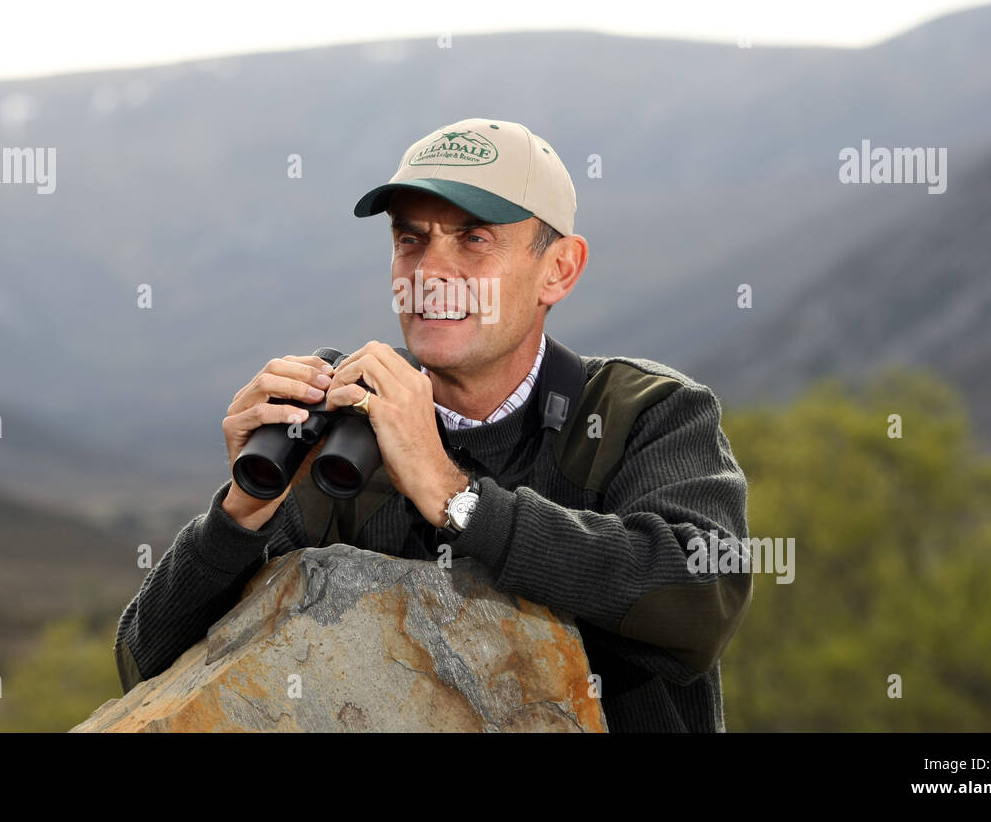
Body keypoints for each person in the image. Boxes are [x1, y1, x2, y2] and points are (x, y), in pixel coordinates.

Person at [113, 117, 752, 732]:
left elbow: (704, 601)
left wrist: (456, 497)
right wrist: (244, 508)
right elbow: (143, 663)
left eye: (474, 238)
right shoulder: (346, 436)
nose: (429, 271)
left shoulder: (645, 413)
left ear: (558, 269)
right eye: (410, 238)